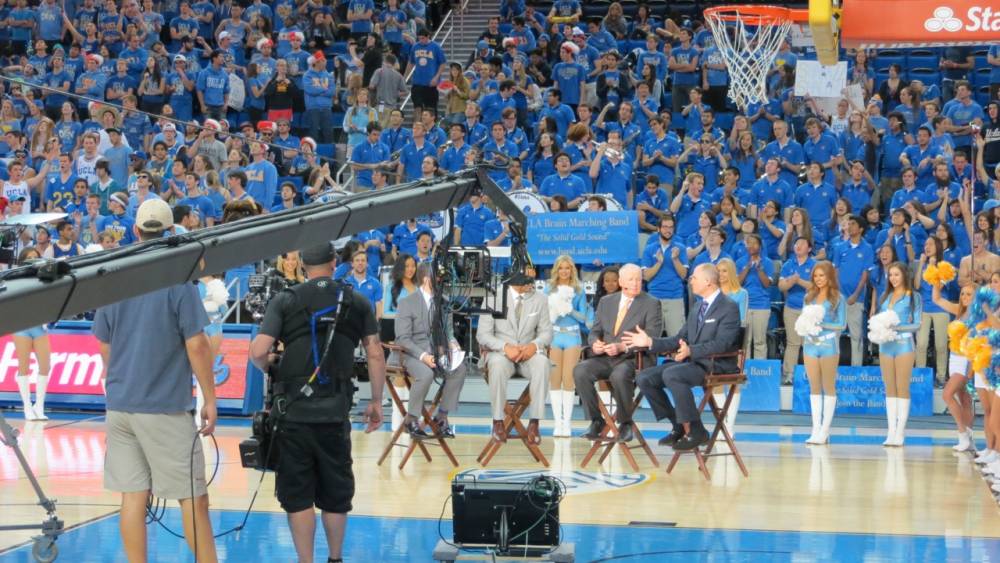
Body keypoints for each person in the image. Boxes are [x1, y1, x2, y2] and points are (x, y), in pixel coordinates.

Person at [92, 199, 219, 563]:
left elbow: (103, 341)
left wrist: (123, 375)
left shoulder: (114, 277)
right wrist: (210, 398)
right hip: (164, 408)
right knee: (193, 498)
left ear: (135, 231)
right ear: (169, 232)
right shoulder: (176, 278)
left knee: (133, 497)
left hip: (120, 405)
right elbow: (196, 343)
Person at [249, 242, 385, 563]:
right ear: (335, 262)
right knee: (336, 494)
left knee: (297, 495)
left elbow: (257, 351)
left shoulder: (285, 300)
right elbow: (375, 352)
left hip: (293, 415)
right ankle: (335, 558)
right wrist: (376, 402)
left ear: (302, 266)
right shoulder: (358, 300)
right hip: (335, 414)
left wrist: (269, 364)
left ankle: (305, 560)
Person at [628, 264, 742, 450]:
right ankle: (678, 425)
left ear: (707, 281)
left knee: (673, 374)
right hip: (695, 362)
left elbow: (724, 343)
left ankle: (696, 430)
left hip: (717, 363)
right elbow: (679, 339)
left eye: (694, 277)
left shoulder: (728, 307)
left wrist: (691, 351)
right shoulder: (697, 306)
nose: (690, 280)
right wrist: (650, 342)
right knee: (644, 377)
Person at [573, 264, 663, 443]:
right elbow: (594, 331)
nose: (636, 283)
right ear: (621, 282)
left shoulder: (652, 303)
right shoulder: (606, 302)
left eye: (639, 279)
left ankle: (625, 423)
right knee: (580, 370)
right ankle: (596, 421)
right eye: (631, 279)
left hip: (634, 358)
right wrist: (595, 343)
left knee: (619, 375)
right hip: (606, 356)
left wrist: (623, 347)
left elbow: (652, 336)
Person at [477, 271, 553, 444]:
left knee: (542, 363)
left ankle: (535, 423)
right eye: (527, 276)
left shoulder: (540, 299)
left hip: (528, 353)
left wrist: (534, 345)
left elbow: (547, 332)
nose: (531, 279)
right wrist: (505, 347)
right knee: (496, 364)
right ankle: (497, 422)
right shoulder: (493, 297)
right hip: (501, 353)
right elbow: (482, 335)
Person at [394, 262, 466, 439]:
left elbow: (449, 332)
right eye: (437, 276)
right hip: (411, 354)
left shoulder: (445, 302)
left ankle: (442, 416)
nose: (441, 279)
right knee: (425, 373)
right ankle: (411, 419)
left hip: (438, 353)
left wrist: (452, 343)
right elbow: (402, 338)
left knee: (460, 369)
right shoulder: (407, 302)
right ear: (427, 279)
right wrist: (424, 356)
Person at [877, 261, 923, 447]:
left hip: (904, 344)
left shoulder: (914, 297)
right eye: (891, 275)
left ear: (904, 275)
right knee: (889, 388)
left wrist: (897, 327)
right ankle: (891, 431)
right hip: (886, 345)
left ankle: (900, 431)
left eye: (897, 274)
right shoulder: (885, 296)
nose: (893, 278)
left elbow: (917, 324)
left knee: (902, 387)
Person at [800, 261, 846, 445]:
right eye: (816, 276)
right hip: (810, 345)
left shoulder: (838, 298)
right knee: (814, 387)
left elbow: (842, 325)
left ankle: (825, 430)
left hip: (828, 346)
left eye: (822, 275)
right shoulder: (808, 296)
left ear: (829, 277)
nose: (818, 279)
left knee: (828, 386)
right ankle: (815, 429)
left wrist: (822, 325)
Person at [543, 256, 589, 438]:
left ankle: (567, 423)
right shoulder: (549, 289)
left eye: (567, 268)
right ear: (556, 270)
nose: (564, 271)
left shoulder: (579, 290)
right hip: (554, 335)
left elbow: (584, 317)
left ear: (572, 270)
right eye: (561, 268)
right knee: (554, 380)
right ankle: (557, 423)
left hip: (572, 336)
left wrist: (569, 308)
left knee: (568, 379)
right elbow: (544, 315)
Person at [932, 280, 975, 451]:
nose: (964, 297)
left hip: (967, 360)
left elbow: (977, 342)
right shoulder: (959, 311)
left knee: (947, 395)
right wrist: (938, 281)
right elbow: (937, 299)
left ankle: (962, 433)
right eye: (963, 293)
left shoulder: (977, 316)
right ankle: (969, 439)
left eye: (969, 294)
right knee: (964, 398)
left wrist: (971, 368)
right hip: (954, 359)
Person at [11, 247, 52, 420]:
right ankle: (27, 406)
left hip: (38, 326)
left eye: (36, 258)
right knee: (24, 366)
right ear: (22, 261)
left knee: (45, 366)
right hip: (21, 326)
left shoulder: (44, 278)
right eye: (29, 258)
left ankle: (39, 405)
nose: (33, 261)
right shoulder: (15, 277)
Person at [778, 237, 816, 384]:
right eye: (796, 243)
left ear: (809, 248)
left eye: (802, 243)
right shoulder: (788, 264)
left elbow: (815, 287)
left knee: (809, 343)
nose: (798, 246)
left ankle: (809, 375)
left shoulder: (814, 265)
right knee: (792, 343)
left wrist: (796, 281)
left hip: (810, 310)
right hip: (791, 308)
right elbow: (781, 286)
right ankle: (789, 375)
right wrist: (791, 281)